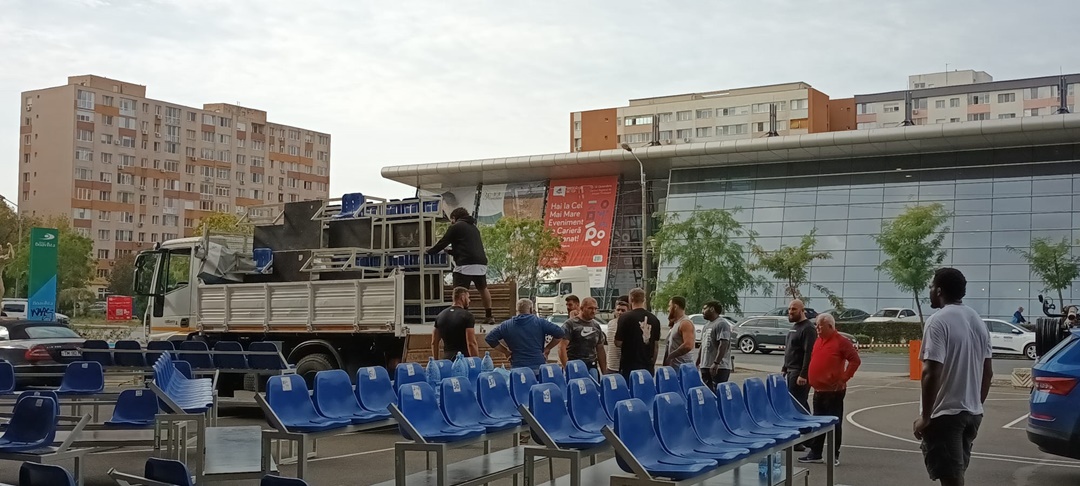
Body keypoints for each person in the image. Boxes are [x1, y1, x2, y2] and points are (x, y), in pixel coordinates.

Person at [913, 268, 992, 486]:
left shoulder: (938, 321)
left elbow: (931, 372)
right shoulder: (977, 321)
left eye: (931, 286)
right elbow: (987, 372)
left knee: (952, 479)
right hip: (971, 415)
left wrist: (925, 417)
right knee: (955, 475)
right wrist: (976, 405)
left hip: (946, 416)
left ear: (939, 290)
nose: (930, 291)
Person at [799, 313, 861, 465]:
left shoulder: (841, 342)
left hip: (834, 392)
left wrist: (844, 378)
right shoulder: (818, 341)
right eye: (816, 326)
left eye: (820, 326)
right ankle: (816, 453)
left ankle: (834, 455)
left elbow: (855, 360)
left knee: (834, 423)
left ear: (830, 326)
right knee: (818, 422)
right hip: (819, 390)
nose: (817, 329)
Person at [427, 207, 495, 324]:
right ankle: (489, 316)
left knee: (459, 291)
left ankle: (462, 316)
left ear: (454, 218)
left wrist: (430, 251)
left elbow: (443, 242)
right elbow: (466, 248)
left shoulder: (456, 227)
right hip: (480, 263)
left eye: (451, 220)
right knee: (483, 288)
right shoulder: (474, 228)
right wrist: (449, 251)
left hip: (465, 264)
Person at [485, 298, 565, 374]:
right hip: (538, 367)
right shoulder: (540, 322)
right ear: (531, 309)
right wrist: (547, 348)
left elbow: (490, 338)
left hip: (517, 369)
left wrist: (506, 352)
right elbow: (560, 333)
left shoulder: (506, 325)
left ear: (517, 310)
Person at [782, 299, 816, 450]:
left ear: (802, 310)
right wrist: (784, 367)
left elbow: (809, 353)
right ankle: (809, 436)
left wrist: (803, 374)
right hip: (790, 371)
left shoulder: (808, 329)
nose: (790, 312)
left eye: (794, 309)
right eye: (789, 309)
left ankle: (798, 440)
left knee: (796, 406)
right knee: (800, 404)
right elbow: (790, 350)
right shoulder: (794, 327)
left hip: (799, 374)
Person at [614, 288, 661, 380]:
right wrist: (652, 364)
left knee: (629, 387)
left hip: (629, 365)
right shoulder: (654, 319)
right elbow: (656, 346)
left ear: (630, 299)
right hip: (647, 366)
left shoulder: (625, 317)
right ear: (644, 300)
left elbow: (618, 342)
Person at [558, 297, 607, 372]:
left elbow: (600, 349)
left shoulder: (596, 326)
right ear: (581, 308)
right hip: (575, 366)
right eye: (590, 308)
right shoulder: (570, 324)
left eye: (595, 309)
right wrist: (567, 368)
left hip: (591, 366)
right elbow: (561, 347)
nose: (593, 311)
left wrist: (604, 372)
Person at [431, 287, 477, 359]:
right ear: (462, 297)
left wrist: (436, 361)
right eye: (468, 297)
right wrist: (475, 361)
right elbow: (471, 343)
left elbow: (434, 342)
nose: (469, 300)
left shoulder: (440, 315)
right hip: (463, 359)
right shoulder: (467, 316)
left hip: (447, 359)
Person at [697, 301, 732, 388]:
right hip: (705, 366)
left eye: (704, 308)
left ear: (712, 309)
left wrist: (716, 363)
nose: (702, 311)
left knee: (717, 391)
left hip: (719, 367)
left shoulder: (722, 324)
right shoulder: (706, 325)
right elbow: (703, 345)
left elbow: (724, 344)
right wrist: (698, 362)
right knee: (707, 392)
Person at [663, 296, 696, 368]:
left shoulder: (685, 323)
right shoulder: (676, 323)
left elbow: (688, 346)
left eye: (669, 306)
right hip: (674, 368)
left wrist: (671, 356)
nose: (668, 309)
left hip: (683, 369)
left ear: (675, 307)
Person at [606, 297, 629, 374]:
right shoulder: (610, 323)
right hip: (611, 365)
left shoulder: (630, 324)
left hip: (623, 366)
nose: (620, 312)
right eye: (618, 310)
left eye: (623, 310)